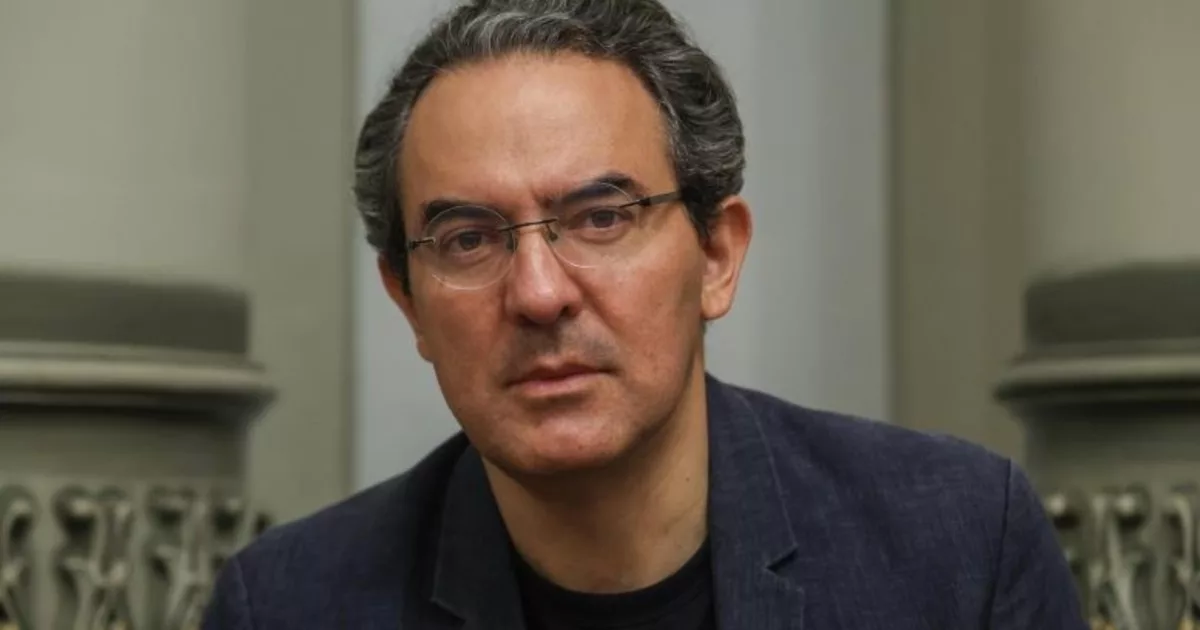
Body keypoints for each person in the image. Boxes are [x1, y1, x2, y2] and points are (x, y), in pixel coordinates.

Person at [203, 1, 1086, 628]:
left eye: (601, 218)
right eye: (469, 239)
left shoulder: (958, 548)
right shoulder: (287, 606)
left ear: (716, 256)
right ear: (408, 301)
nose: (539, 293)